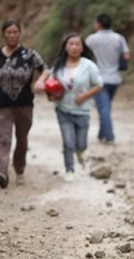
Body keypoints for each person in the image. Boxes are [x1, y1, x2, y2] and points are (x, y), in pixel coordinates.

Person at [0, 19, 49, 189]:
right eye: (9, 32)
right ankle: (3, 173)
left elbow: (45, 69)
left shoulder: (30, 55)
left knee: (22, 139)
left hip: (24, 103)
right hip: (2, 103)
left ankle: (19, 170)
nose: (12, 35)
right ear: (3, 35)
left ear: (20, 34)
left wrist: (40, 82)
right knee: (4, 138)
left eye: (15, 32)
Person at [35, 33, 102, 182]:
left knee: (81, 144)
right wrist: (48, 92)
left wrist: (84, 96)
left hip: (83, 111)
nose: (73, 47)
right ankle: (69, 169)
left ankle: (80, 152)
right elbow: (49, 84)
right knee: (68, 141)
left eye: (77, 44)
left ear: (82, 47)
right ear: (65, 47)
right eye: (70, 44)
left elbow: (99, 84)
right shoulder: (58, 66)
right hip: (63, 110)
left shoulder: (89, 66)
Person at [85, 13, 130, 144]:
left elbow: (84, 57)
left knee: (103, 108)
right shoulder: (119, 38)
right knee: (105, 107)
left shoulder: (91, 39)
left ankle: (109, 136)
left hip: (98, 79)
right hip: (115, 79)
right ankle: (101, 134)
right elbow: (126, 56)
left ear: (98, 24)